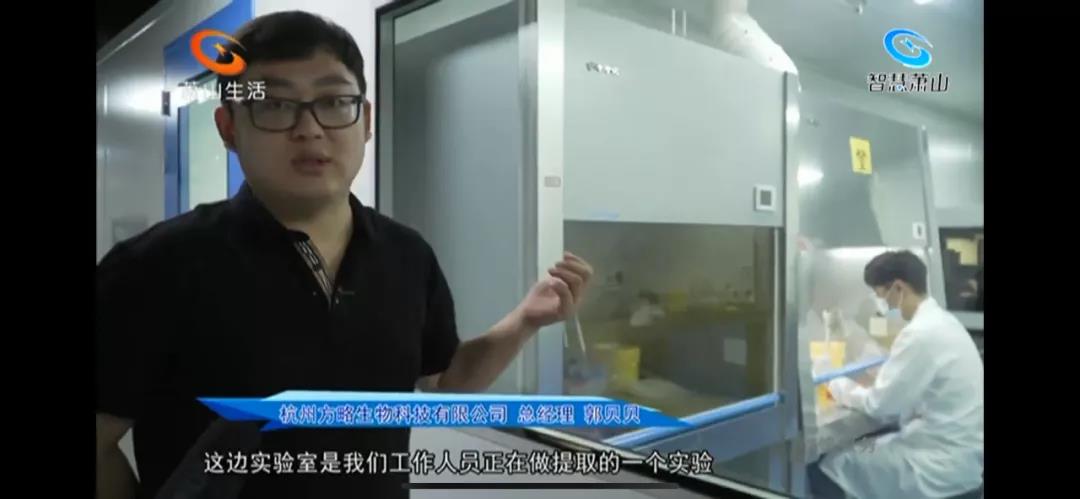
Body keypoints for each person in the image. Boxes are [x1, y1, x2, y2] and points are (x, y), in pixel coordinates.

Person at [95, 11, 594, 499]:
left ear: (366, 120)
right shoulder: (155, 266)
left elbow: (445, 380)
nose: (309, 129)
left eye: (334, 101)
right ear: (229, 128)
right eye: (274, 104)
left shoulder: (406, 255)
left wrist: (525, 320)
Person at [809, 250, 983, 499]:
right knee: (861, 449)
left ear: (899, 288)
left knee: (828, 465)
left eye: (881, 295)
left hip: (936, 464)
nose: (883, 305)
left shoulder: (919, 334)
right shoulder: (945, 323)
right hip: (957, 454)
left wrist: (833, 382)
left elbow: (878, 405)